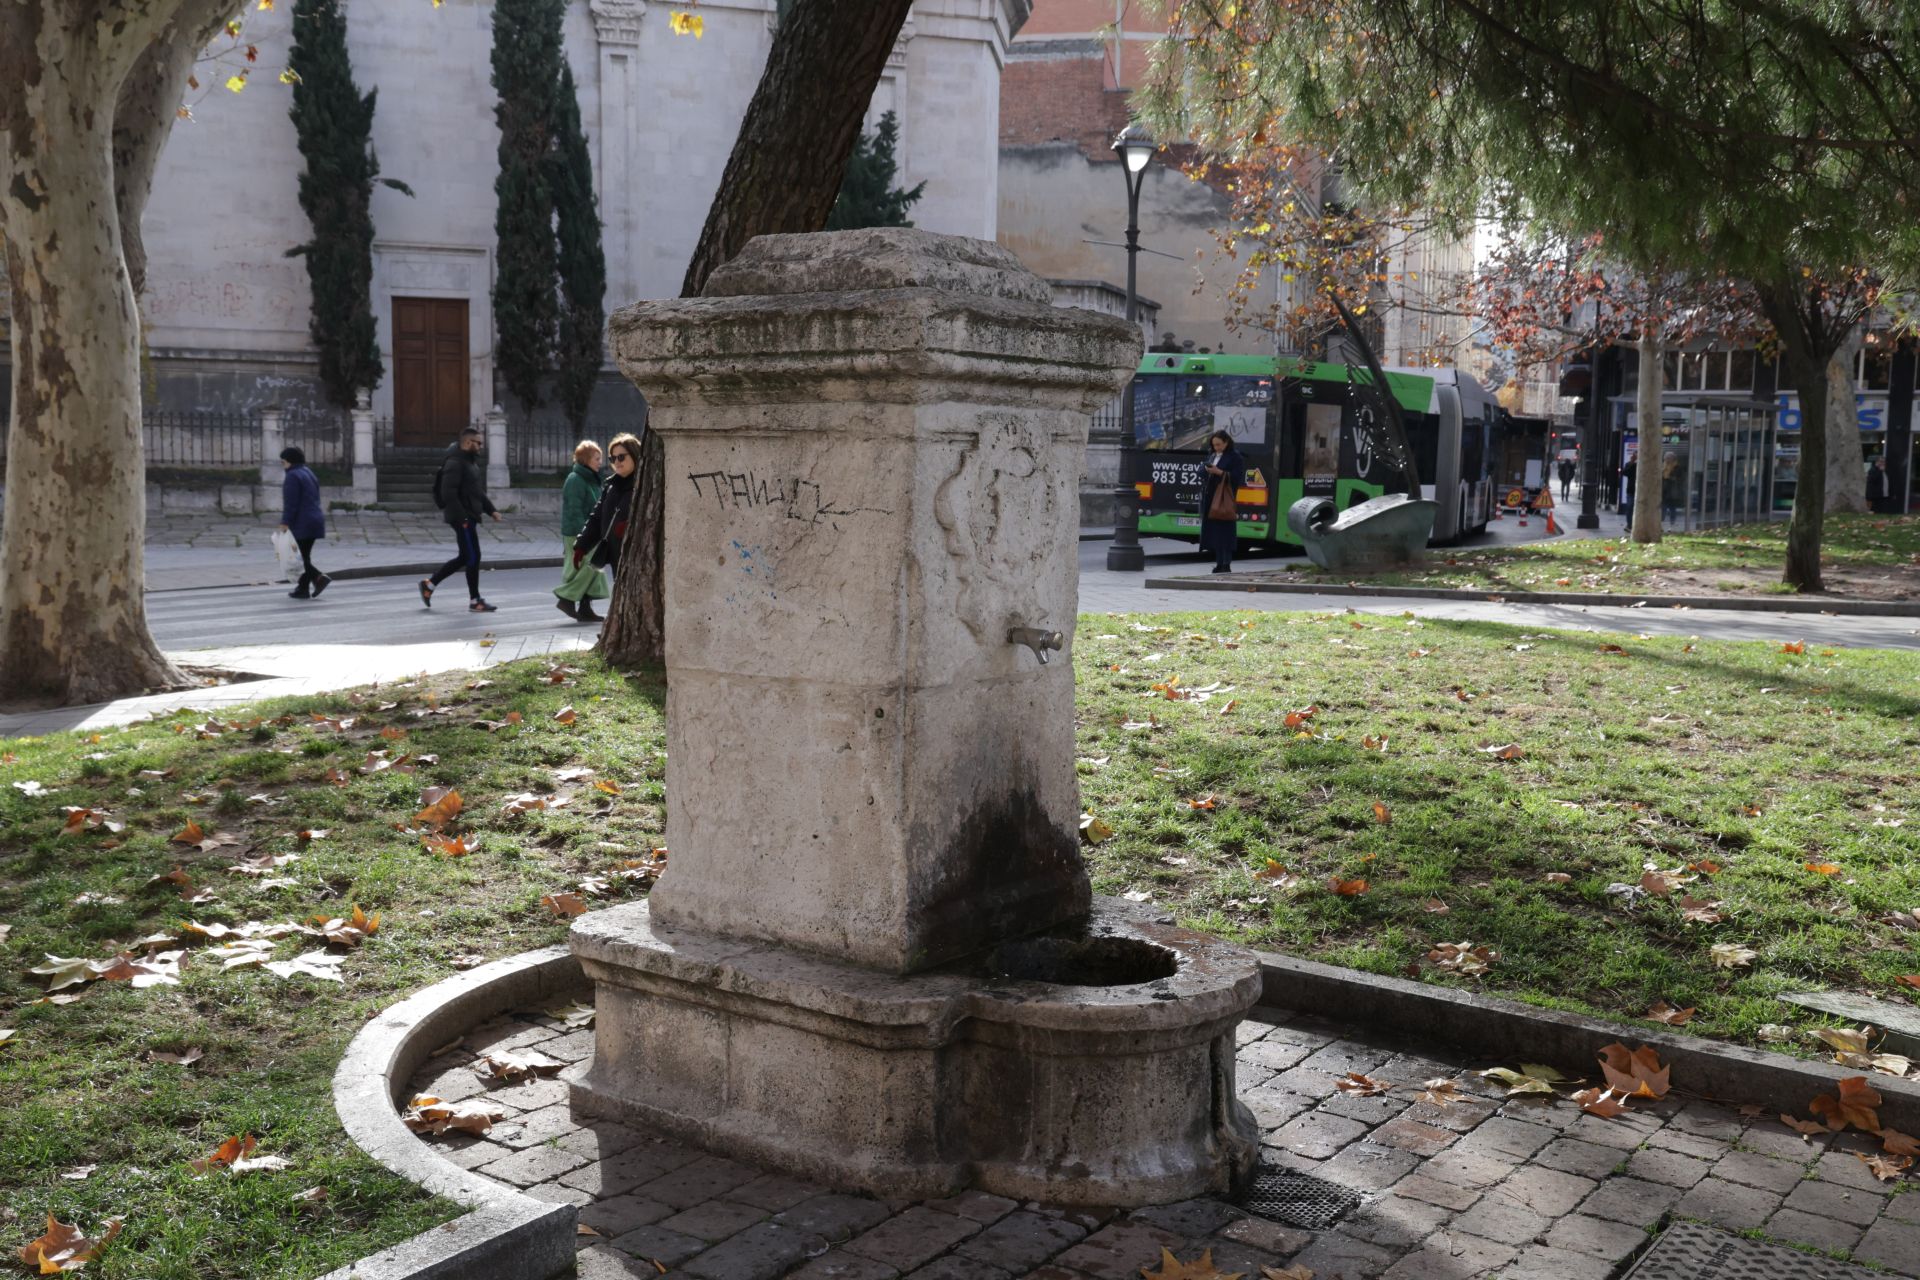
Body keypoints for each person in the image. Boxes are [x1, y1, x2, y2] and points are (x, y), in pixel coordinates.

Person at [420, 426, 501, 613]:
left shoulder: (470, 463)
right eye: (478, 443)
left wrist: (492, 510)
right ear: (467, 443)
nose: (481, 446)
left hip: (469, 516)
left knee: (466, 556)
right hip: (462, 518)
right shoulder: (455, 463)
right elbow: (447, 493)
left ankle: (430, 584)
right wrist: (463, 518)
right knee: (472, 556)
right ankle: (475, 601)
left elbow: (476, 491)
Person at [554, 439, 612, 622]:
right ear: (585, 459)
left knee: (592, 569)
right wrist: (583, 535)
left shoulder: (592, 478)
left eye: (600, 458)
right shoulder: (575, 479)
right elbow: (574, 510)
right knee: (587, 567)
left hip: (591, 532)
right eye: (596, 458)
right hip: (576, 533)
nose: (600, 462)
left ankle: (585, 608)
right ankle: (566, 598)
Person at [574, 432, 640, 589]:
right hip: (616, 555)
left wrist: (631, 526)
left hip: (638, 557)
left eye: (621, 457)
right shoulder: (611, 487)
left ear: (635, 456)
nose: (616, 462)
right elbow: (596, 518)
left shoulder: (644, 486)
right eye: (612, 458)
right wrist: (582, 545)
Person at [278, 446, 329, 600]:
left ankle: (319, 578)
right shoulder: (308, 472)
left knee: (296, 558)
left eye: (283, 461)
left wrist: (285, 522)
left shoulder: (293, 476)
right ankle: (303, 589)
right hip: (315, 519)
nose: (282, 465)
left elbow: (291, 503)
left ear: (289, 461)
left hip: (302, 521)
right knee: (303, 556)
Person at [1198, 429, 1244, 574]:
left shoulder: (1235, 457)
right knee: (1215, 533)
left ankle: (1226, 563)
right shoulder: (1212, 455)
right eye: (1214, 445)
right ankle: (1218, 563)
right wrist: (1205, 469)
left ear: (1226, 442)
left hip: (1224, 499)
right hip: (1210, 497)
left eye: (1219, 445)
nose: (1216, 447)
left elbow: (1237, 477)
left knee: (1225, 532)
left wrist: (1220, 472)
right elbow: (1201, 473)